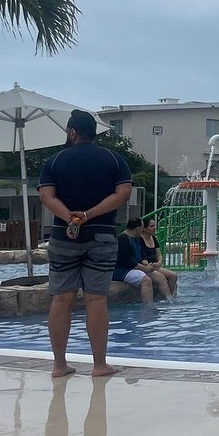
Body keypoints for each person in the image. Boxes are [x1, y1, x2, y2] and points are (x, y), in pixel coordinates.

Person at [38, 110, 133, 378]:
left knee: (61, 298)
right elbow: (123, 194)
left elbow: (46, 196)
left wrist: (70, 216)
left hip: (62, 236)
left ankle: (59, 365)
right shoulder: (115, 160)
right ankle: (99, 365)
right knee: (96, 299)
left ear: (72, 132)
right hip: (101, 235)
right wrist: (88, 215)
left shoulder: (54, 162)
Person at [114, 219, 157, 303]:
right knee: (146, 280)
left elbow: (143, 253)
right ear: (137, 228)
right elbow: (125, 260)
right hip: (122, 270)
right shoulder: (123, 239)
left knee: (157, 276)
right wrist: (144, 268)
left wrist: (146, 263)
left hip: (134, 267)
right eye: (141, 228)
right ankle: (148, 306)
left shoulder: (136, 238)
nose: (142, 230)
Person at [139, 217, 178, 297]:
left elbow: (159, 254)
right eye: (151, 226)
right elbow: (142, 257)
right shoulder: (140, 240)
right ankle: (167, 299)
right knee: (161, 277)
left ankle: (173, 296)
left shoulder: (153, 238)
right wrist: (148, 266)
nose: (154, 228)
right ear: (144, 229)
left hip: (155, 266)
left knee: (174, 275)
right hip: (146, 267)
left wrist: (159, 262)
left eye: (155, 226)